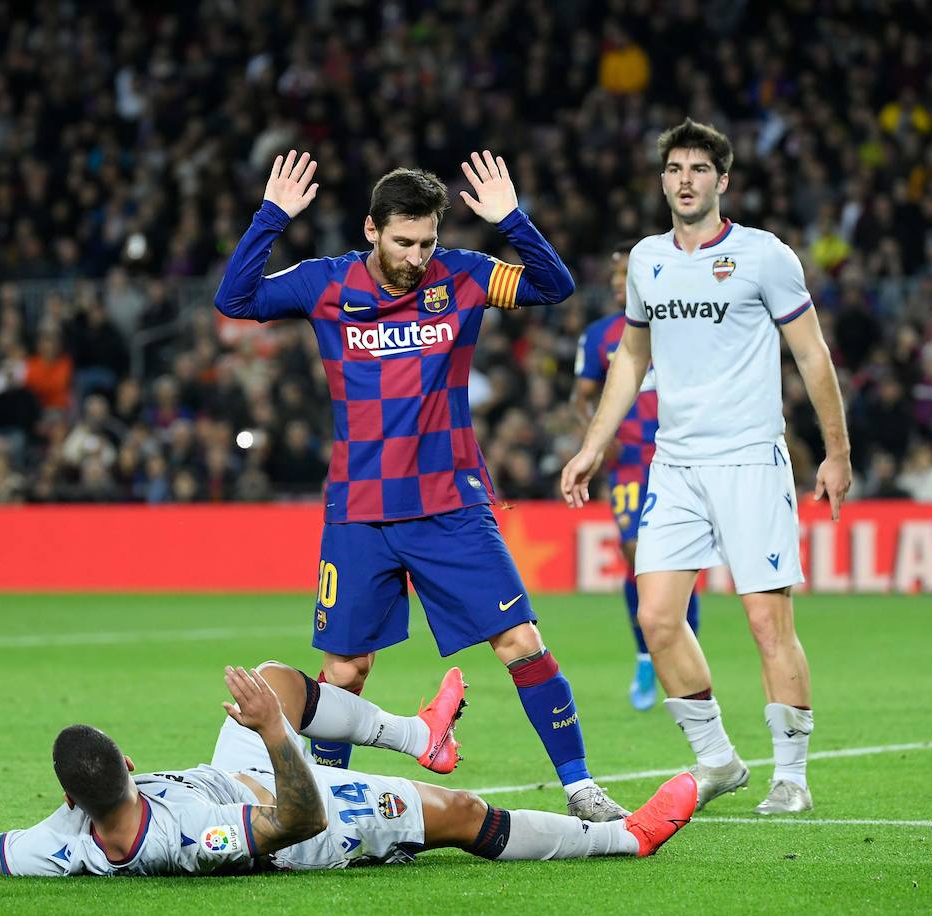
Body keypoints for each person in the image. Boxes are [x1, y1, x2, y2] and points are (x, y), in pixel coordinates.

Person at [214, 150, 628, 821]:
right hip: (360, 511)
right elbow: (234, 298)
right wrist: (272, 218)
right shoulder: (326, 283)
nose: (416, 256)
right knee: (345, 672)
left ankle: (581, 786)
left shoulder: (462, 278)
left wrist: (512, 220)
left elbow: (553, 287)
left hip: (450, 505)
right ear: (371, 230)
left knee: (520, 641)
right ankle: (325, 807)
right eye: (403, 242)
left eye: (428, 241)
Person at [560, 119, 852, 815]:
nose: (685, 180)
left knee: (765, 621)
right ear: (662, 180)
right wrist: (592, 446)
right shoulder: (649, 260)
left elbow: (812, 354)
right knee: (658, 616)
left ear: (722, 181)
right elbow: (631, 358)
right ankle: (719, 760)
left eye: (698, 169)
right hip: (677, 464)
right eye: (675, 169)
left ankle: (792, 776)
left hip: (750, 458)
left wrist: (837, 451)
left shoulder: (764, 256)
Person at [0, 662, 698, 875]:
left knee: (278, 676)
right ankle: (627, 838)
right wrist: (279, 741)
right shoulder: (185, 841)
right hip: (287, 815)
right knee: (455, 812)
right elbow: (298, 820)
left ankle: (416, 730)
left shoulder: (58, 840)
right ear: (124, 765)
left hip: (222, 776)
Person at [572, 241, 700, 711]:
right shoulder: (600, 336)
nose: (616, 283)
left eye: (624, 274)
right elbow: (580, 396)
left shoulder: (680, 327)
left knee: (679, 562)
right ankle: (647, 654)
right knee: (637, 552)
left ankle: (683, 657)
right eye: (613, 276)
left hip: (678, 455)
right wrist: (598, 435)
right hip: (629, 464)